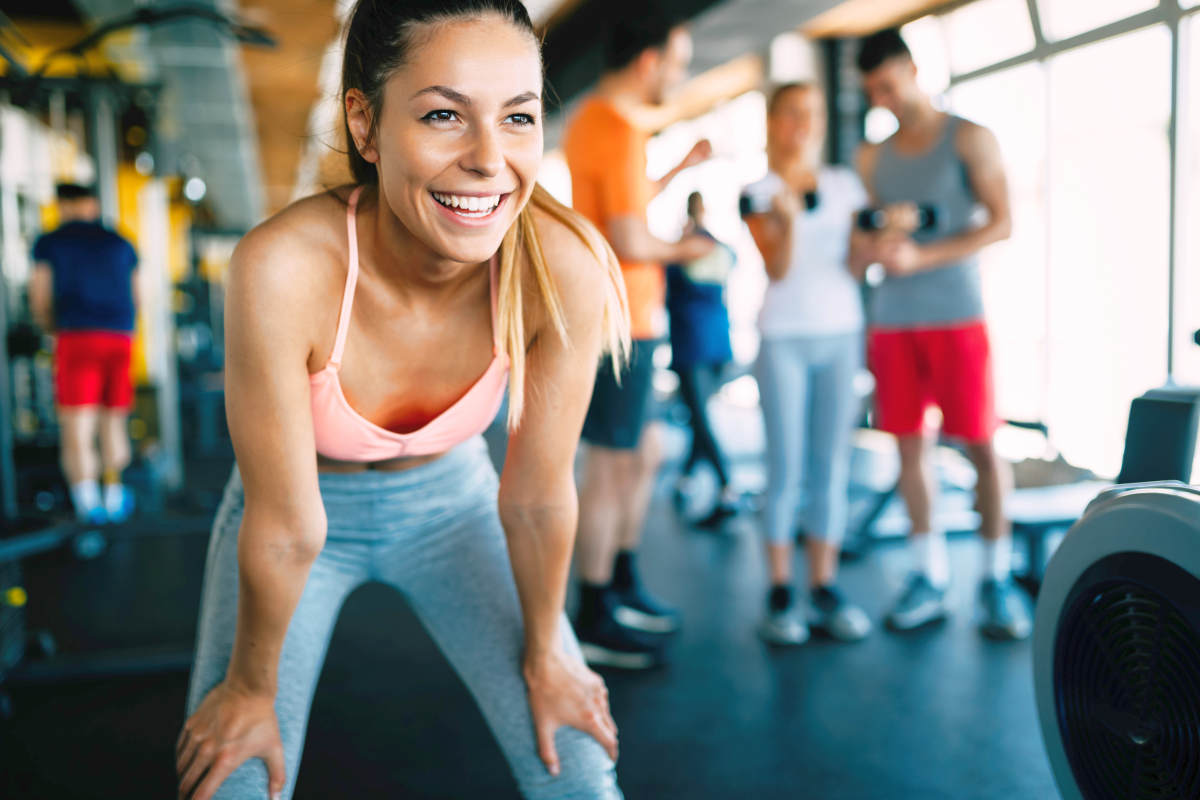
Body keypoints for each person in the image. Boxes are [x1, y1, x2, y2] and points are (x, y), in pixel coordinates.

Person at [176, 2, 631, 798]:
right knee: (233, 780)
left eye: (518, 117)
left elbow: (535, 497)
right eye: (444, 115)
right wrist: (249, 690)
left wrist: (552, 653)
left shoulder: (563, 267)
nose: (491, 160)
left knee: (582, 772)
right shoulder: (282, 269)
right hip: (295, 511)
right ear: (365, 122)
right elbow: (287, 526)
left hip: (454, 508)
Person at [852, 28, 1030, 640]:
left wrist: (923, 259)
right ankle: (928, 576)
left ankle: (996, 578)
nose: (882, 99)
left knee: (981, 446)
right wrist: (877, 246)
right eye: (872, 92)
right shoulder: (872, 157)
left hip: (957, 314)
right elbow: (867, 237)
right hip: (894, 322)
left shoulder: (970, 137)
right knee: (907, 450)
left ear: (910, 68)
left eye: (887, 85)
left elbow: (1003, 224)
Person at [562, 12, 714, 669]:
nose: (679, 74)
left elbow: (624, 207)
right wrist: (689, 247)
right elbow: (629, 238)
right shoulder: (618, 127)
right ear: (649, 60)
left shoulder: (599, 122)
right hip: (620, 320)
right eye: (678, 60)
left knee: (641, 452)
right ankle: (593, 613)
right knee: (609, 463)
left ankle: (618, 585)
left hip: (627, 319)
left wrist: (678, 166)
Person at [740, 83, 873, 646]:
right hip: (784, 338)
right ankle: (779, 592)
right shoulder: (758, 192)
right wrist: (790, 219)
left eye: (813, 113)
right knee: (786, 467)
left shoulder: (844, 186)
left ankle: (823, 585)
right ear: (773, 121)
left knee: (831, 466)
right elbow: (778, 268)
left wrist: (881, 238)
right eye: (792, 113)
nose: (804, 124)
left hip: (841, 332)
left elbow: (857, 261)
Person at [29, 182, 138, 525]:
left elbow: (40, 296)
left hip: (76, 338)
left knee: (78, 424)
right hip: (120, 337)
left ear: (64, 204)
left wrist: (49, 329)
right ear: (92, 203)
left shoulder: (51, 240)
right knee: (114, 421)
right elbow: (138, 295)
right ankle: (114, 495)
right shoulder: (121, 241)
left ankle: (87, 504)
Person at [666, 191, 739, 528]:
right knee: (699, 417)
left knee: (700, 419)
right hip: (718, 340)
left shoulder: (684, 250)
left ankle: (727, 487)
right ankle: (687, 478)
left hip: (692, 342)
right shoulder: (722, 249)